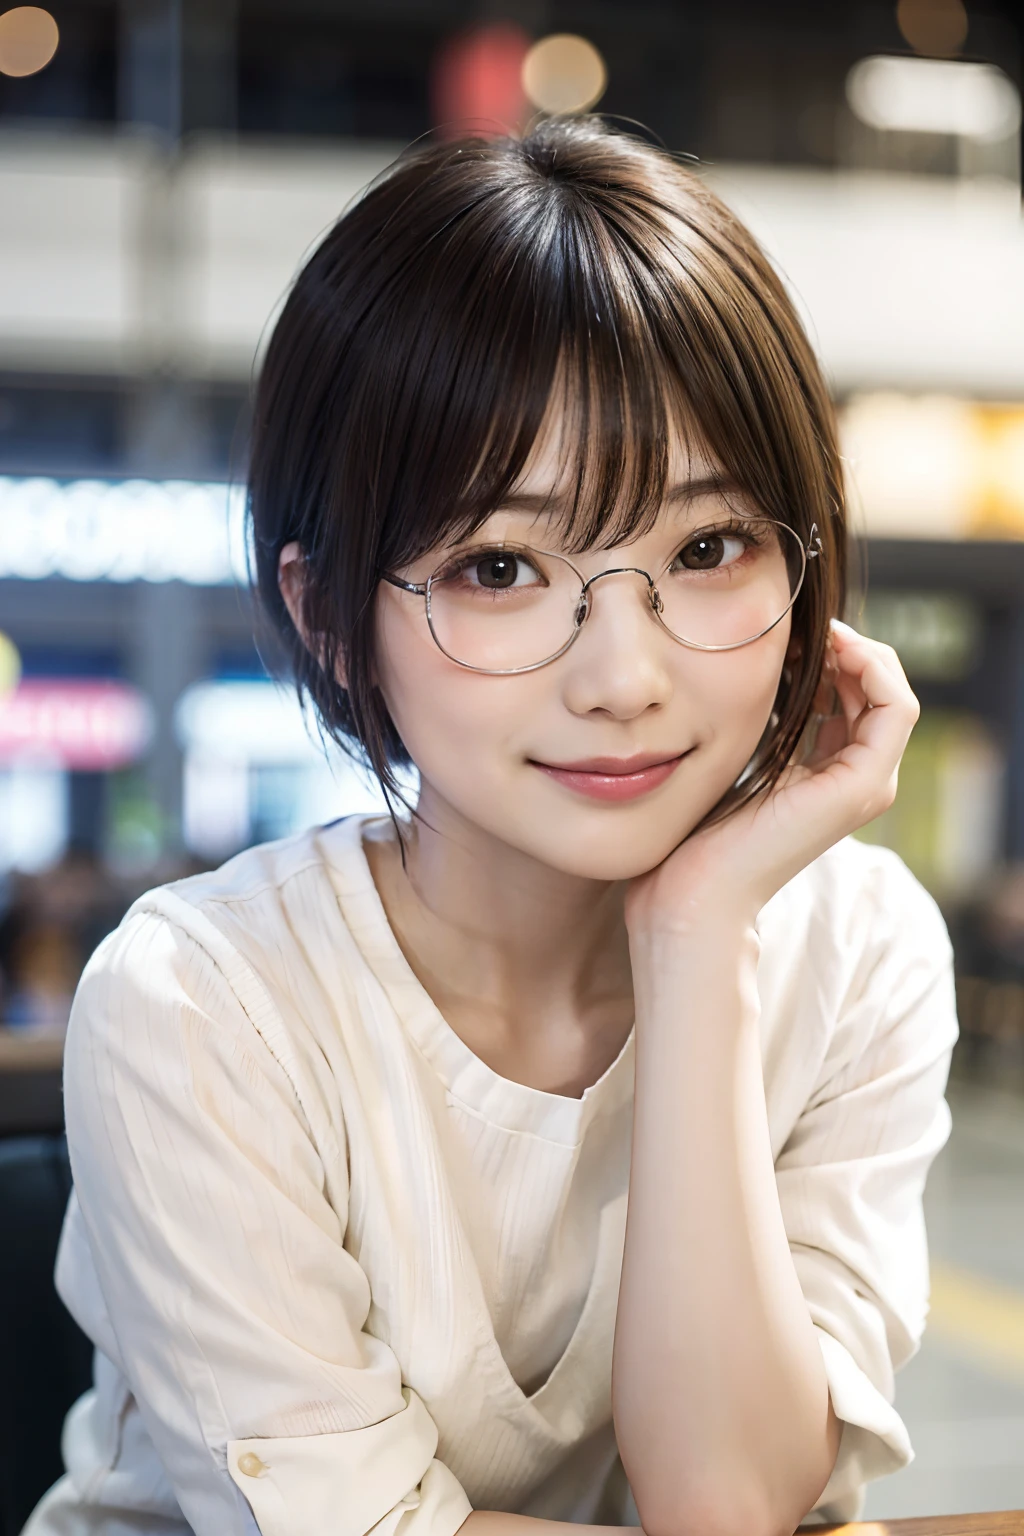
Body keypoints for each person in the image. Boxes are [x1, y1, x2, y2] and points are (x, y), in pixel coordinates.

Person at [26, 118, 956, 1536]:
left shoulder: (860, 942)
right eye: (502, 565)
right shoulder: (206, 1003)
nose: (627, 680)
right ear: (334, 617)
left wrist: (696, 940)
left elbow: (731, 1508)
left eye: (707, 549)